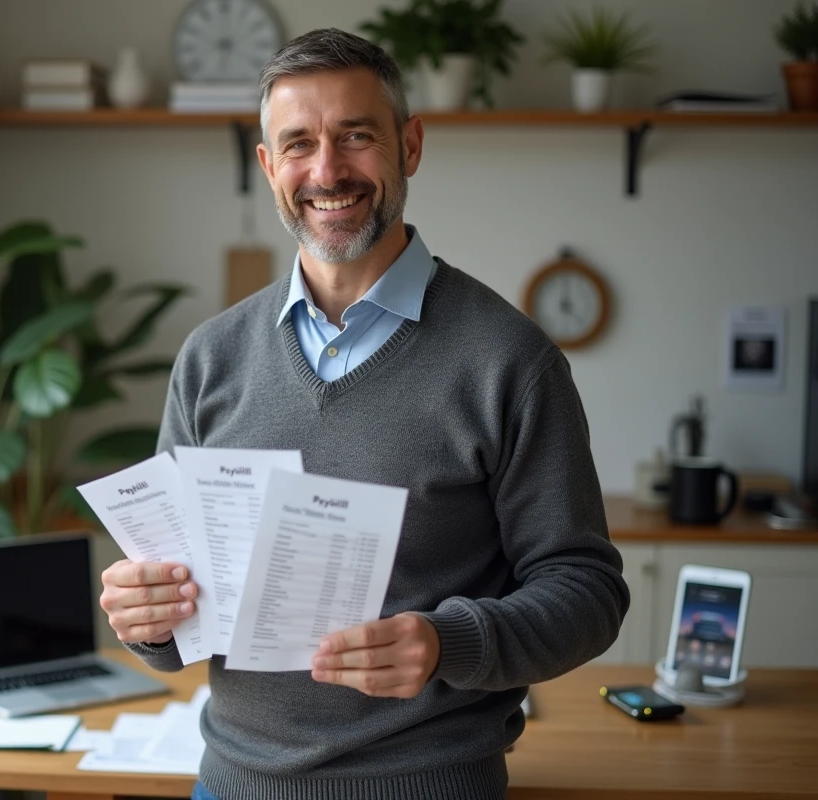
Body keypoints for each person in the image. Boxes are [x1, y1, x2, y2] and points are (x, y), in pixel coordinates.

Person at [98, 27, 629, 800]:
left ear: (410, 145)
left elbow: (587, 591)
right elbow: (177, 628)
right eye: (299, 143)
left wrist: (449, 643)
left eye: (356, 136)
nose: (327, 170)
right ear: (267, 166)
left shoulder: (509, 360)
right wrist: (145, 616)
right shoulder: (210, 359)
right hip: (231, 785)